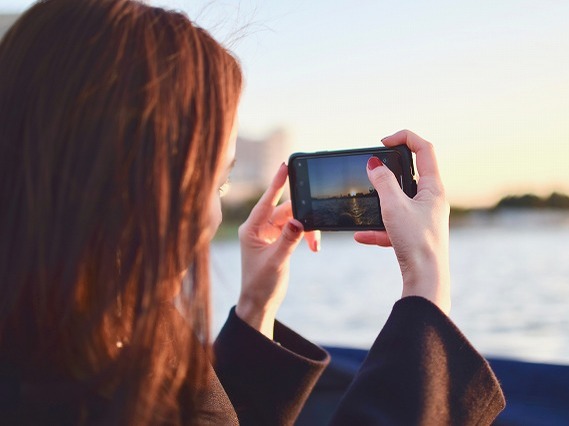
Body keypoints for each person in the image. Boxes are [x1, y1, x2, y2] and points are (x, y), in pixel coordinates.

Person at [0, 0, 505, 424]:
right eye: (213, 181)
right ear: (116, 175)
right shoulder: (70, 390)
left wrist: (255, 310)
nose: (213, 219)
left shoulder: (93, 327)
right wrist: (427, 289)